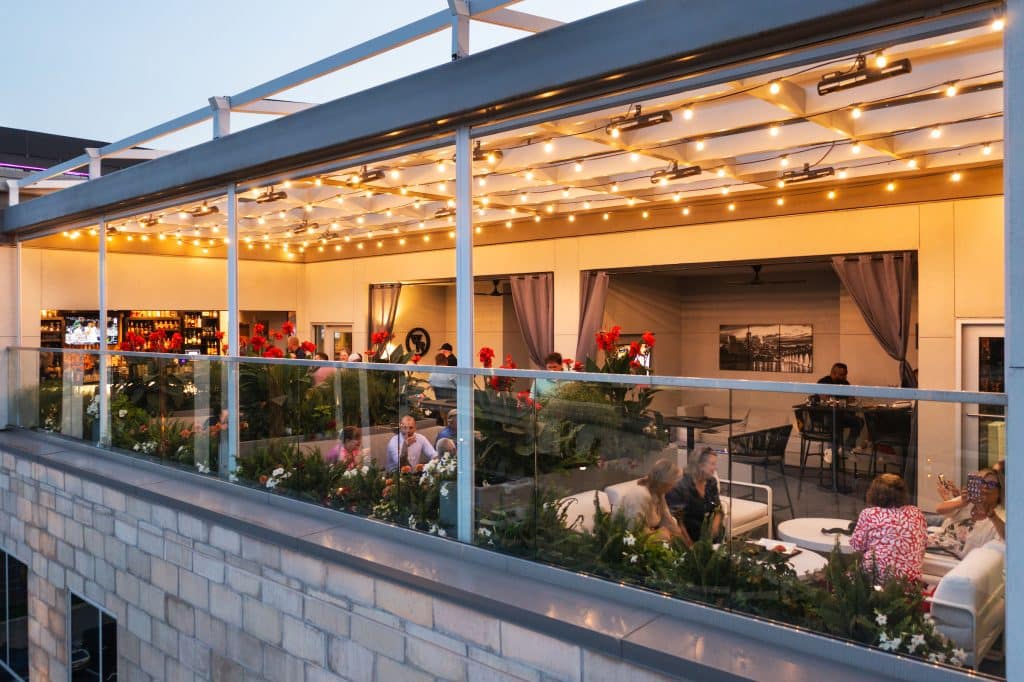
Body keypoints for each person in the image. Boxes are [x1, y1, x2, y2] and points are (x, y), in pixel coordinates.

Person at [849, 473, 927, 581]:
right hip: (910, 581)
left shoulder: (869, 514)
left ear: (874, 494)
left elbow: (856, 546)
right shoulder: (916, 513)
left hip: (876, 579)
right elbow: (923, 545)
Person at [618, 459, 690, 544]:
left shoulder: (659, 492)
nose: (674, 486)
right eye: (673, 483)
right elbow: (635, 530)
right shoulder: (640, 494)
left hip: (650, 533)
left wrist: (682, 542)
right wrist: (662, 534)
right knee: (665, 535)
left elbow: (667, 519)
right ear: (664, 483)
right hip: (629, 541)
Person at [666, 447, 723, 543]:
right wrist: (690, 547)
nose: (715, 468)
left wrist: (715, 525)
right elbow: (677, 522)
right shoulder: (680, 487)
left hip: (710, 540)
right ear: (699, 465)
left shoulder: (711, 482)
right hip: (689, 540)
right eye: (712, 464)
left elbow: (718, 508)